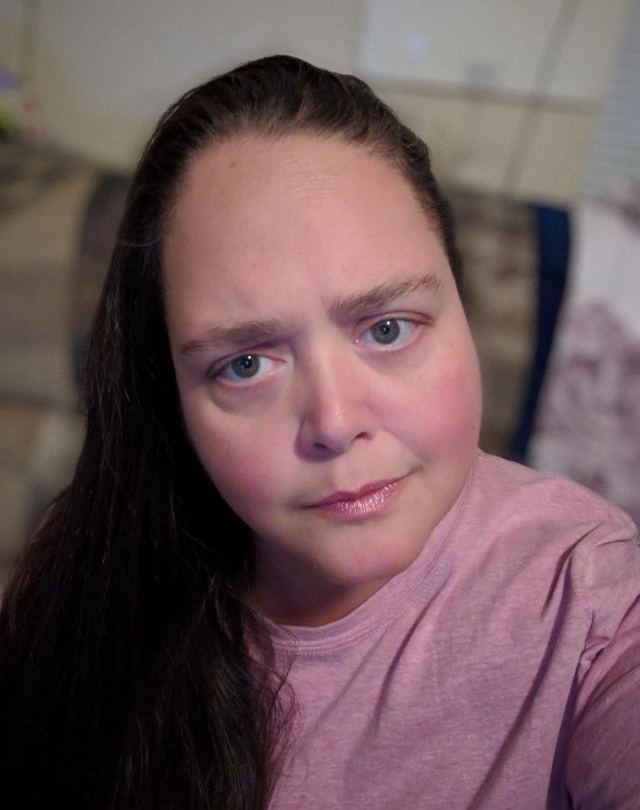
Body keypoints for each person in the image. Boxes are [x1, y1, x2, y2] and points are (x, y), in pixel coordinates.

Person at [0, 55, 639, 810]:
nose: (336, 423)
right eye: (245, 365)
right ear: (171, 396)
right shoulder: (90, 567)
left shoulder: (590, 601)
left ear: (464, 314)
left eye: (388, 327)